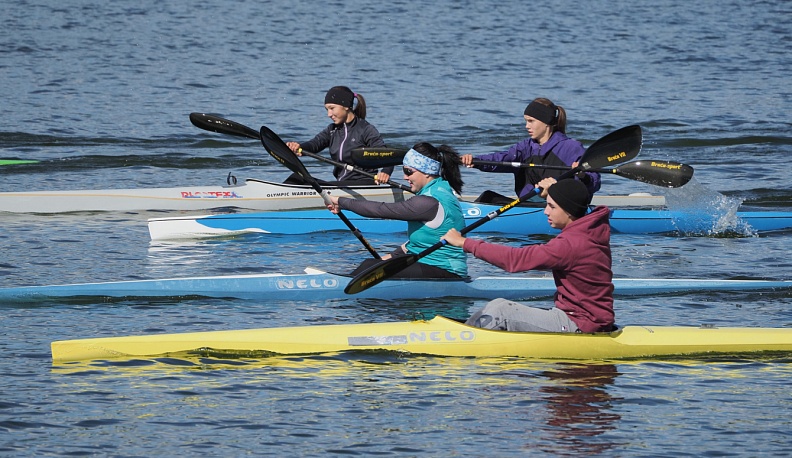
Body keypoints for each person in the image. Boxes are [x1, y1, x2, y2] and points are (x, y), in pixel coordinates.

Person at [442, 178, 614, 333]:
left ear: (569, 211)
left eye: (552, 206)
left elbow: (514, 260)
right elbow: (574, 198)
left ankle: (457, 339)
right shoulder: (589, 229)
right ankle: (461, 331)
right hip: (580, 317)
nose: (546, 212)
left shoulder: (570, 244)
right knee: (498, 304)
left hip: (581, 324)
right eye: (546, 204)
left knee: (501, 313)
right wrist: (556, 189)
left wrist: (465, 243)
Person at [327, 142, 467, 279]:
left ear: (427, 172)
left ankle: (339, 286)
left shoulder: (428, 202)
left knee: (369, 266)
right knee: (372, 265)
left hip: (446, 272)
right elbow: (418, 244)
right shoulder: (440, 189)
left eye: (409, 172)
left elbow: (381, 210)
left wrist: (341, 201)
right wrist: (389, 258)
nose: (405, 177)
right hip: (429, 265)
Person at [461, 98, 601, 204]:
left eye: (531, 121)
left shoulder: (571, 147)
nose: (526, 126)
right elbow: (502, 159)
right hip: (530, 204)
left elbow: (594, 181)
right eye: (526, 121)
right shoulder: (526, 147)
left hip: (560, 207)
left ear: (546, 122)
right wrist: (476, 161)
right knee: (488, 197)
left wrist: (582, 175)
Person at [285, 86, 393, 185]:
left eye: (332, 108)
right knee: (296, 178)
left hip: (364, 183)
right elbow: (314, 144)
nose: (329, 114)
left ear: (346, 106)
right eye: (327, 110)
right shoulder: (332, 130)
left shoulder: (365, 129)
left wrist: (385, 172)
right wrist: (299, 147)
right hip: (341, 184)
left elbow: (386, 155)